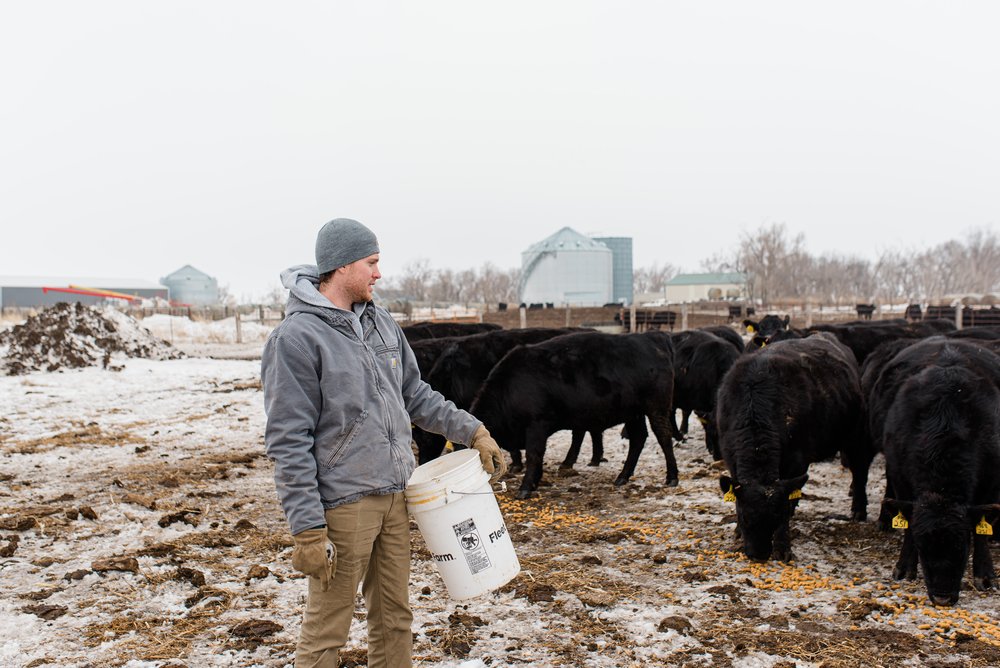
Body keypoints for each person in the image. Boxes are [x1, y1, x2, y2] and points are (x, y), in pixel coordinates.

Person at [261, 218, 507, 668]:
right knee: (327, 630)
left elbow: (414, 394)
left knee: (395, 618)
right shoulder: (297, 338)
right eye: (371, 263)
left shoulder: (380, 323)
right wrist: (307, 529)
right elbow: (287, 440)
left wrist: (473, 431)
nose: (379, 273)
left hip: (396, 496)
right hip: (343, 506)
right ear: (341, 266)